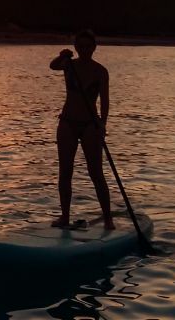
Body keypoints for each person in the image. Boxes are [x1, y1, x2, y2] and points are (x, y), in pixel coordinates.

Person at [49, 29, 115, 230]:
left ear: (94, 48)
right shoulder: (69, 65)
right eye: (81, 47)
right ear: (76, 47)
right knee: (65, 172)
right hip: (67, 122)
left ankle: (108, 219)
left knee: (96, 172)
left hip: (89, 125)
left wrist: (102, 124)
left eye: (88, 46)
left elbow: (104, 101)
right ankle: (65, 217)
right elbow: (53, 66)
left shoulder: (100, 71)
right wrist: (62, 55)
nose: (84, 50)